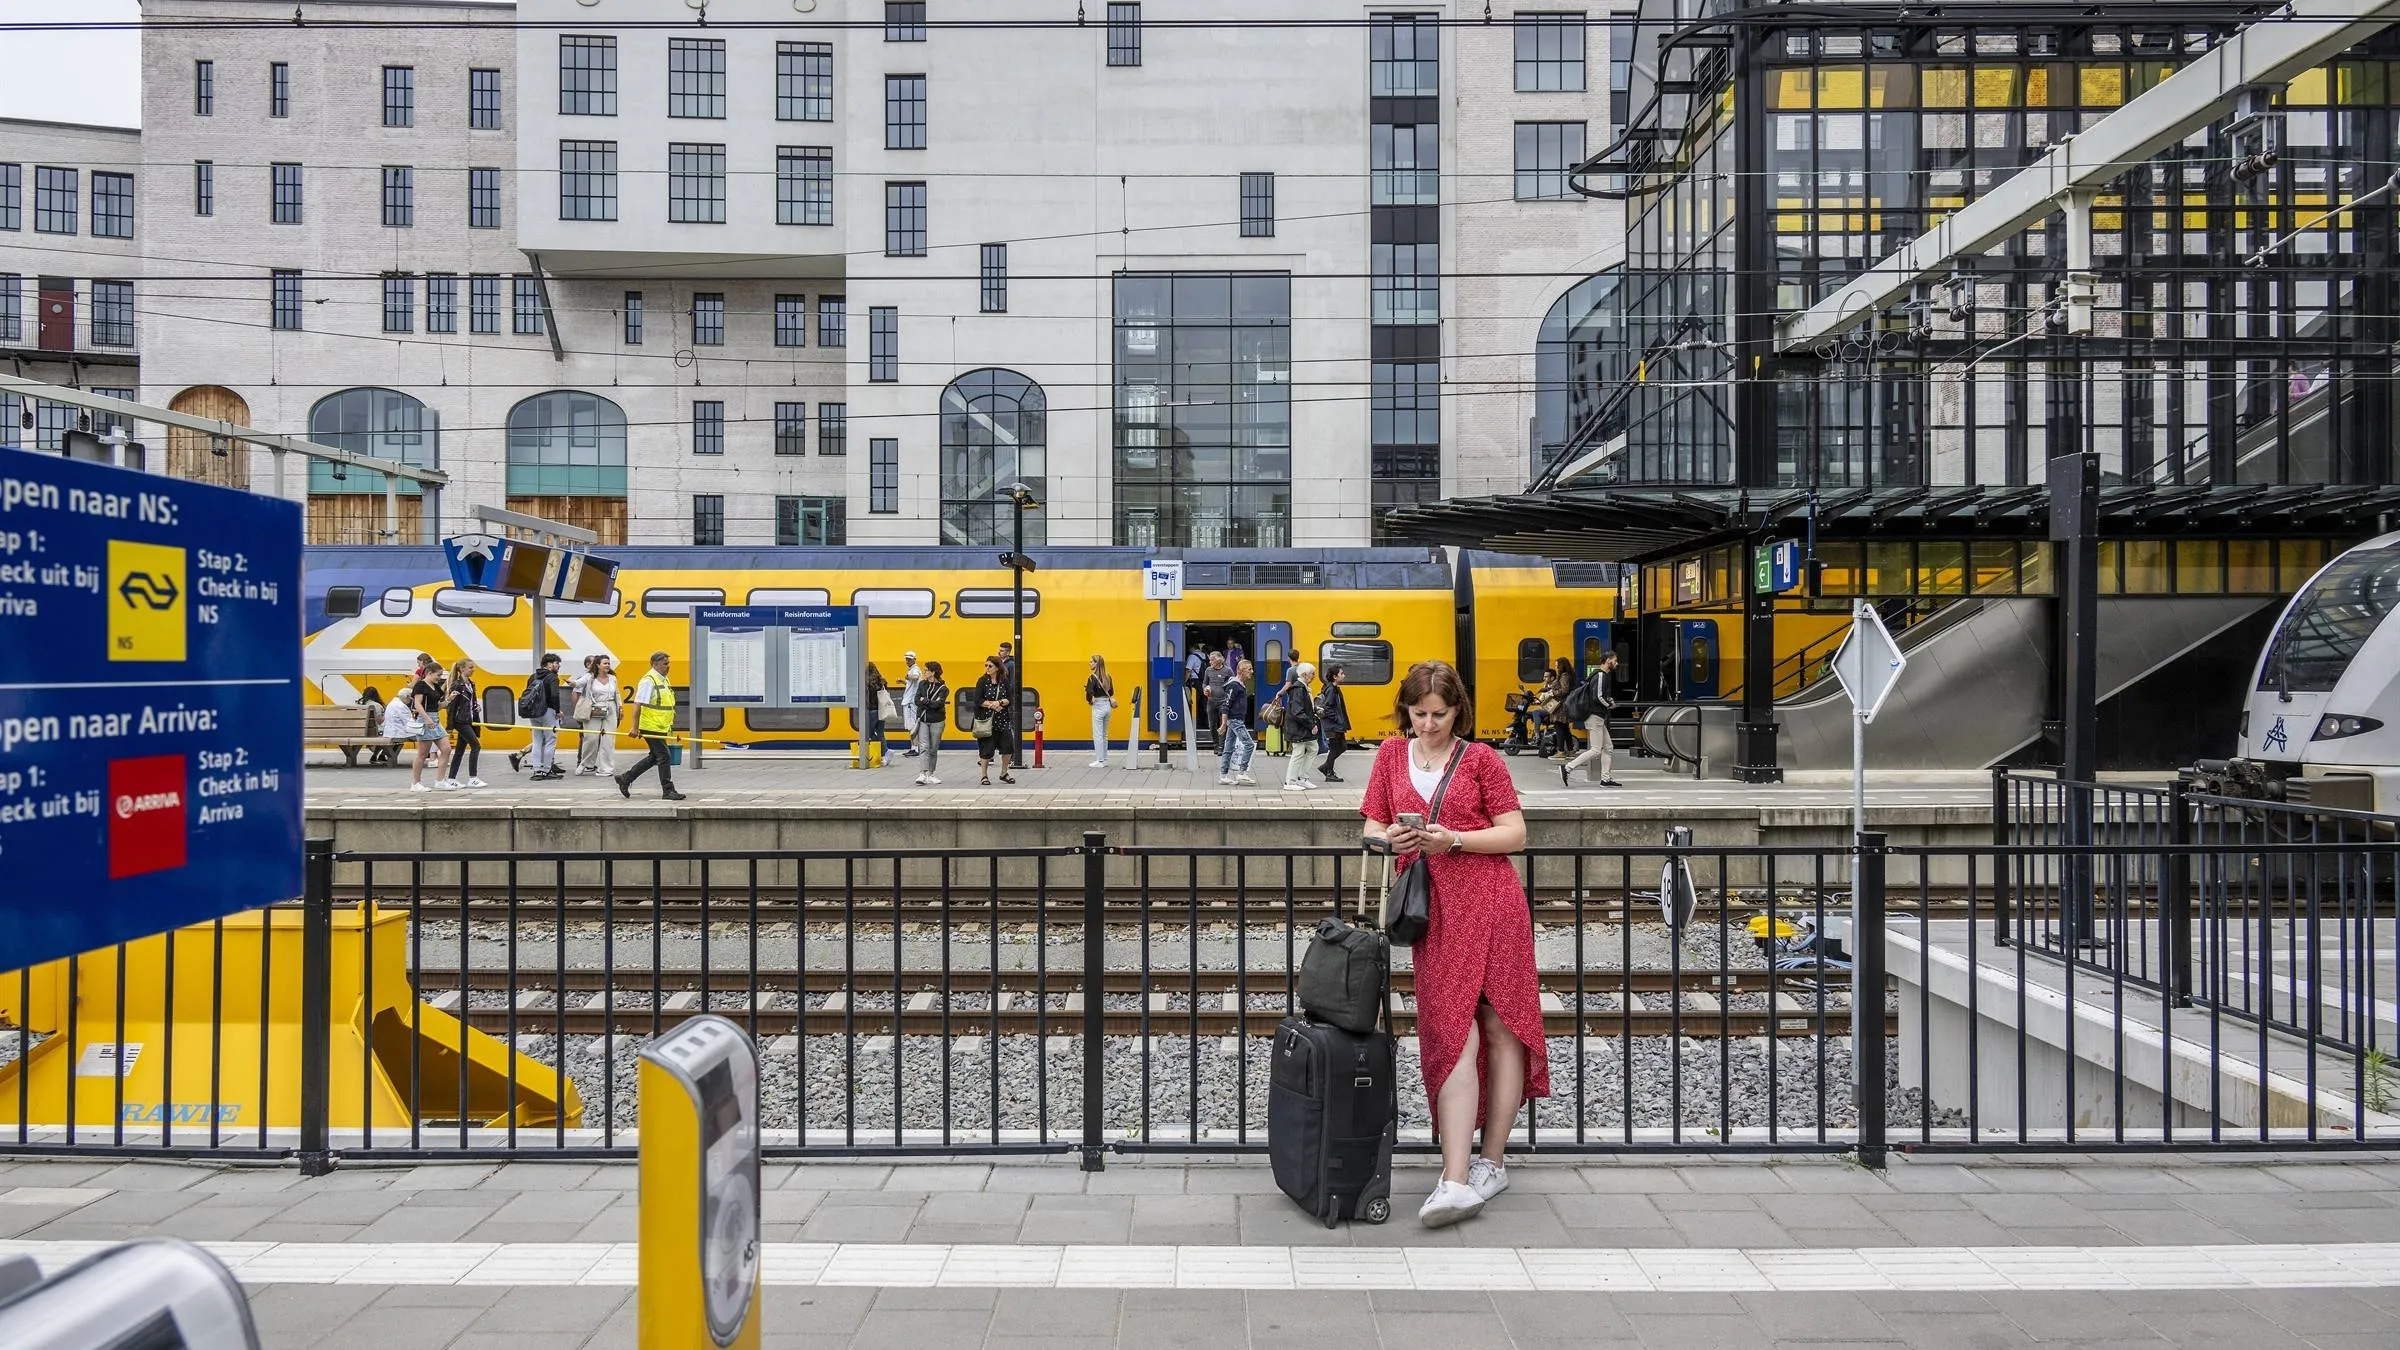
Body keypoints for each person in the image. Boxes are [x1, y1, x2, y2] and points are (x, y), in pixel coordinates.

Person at [1361, 660, 1545, 1228]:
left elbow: (1515, 833)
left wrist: (1454, 840)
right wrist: (1391, 840)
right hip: (1434, 911)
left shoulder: (1483, 758)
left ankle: (1484, 1166)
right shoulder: (1390, 755)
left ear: (1458, 710)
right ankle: (1459, 1177)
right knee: (1452, 1030)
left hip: (1491, 903)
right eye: (1419, 714)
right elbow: (1371, 824)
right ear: (1406, 710)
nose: (1428, 725)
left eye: (1439, 714)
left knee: (1500, 1024)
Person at [614, 651, 687, 801]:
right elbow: (637, 704)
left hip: (659, 726)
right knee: (664, 756)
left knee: (655, 757)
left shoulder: (663, 679)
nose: (668, 666)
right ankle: (668, 790)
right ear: (655, 664)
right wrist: (634, 727)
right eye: (665, 663)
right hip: (650, 725)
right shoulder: (649, 681)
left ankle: (625, 778)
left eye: (668, 663)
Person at [1560, 652, 1622, 787]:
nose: (1616, 663)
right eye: (1615, 660)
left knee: (1608, 747)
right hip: (1594, 717)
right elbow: (1597, 696)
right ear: (1608, 660)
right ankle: (1567, 768)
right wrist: (1609, 705)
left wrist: (1608, 700)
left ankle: (1605, 779)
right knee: (1596, 750)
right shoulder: (1601, 675)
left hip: (1597, 717)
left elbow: (1599, 695)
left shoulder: (1598, 675)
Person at [511, 652, 566, 780]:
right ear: (549, 664)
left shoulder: (533, 676)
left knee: (537, 741)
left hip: (534, 713)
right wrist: (558, 711)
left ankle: (537, 771)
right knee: (550, 741)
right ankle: (547, 770)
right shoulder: (552, 677)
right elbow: (555, 696)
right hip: (548, 712)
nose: (558, 666)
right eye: (557, 663)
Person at [439, 659, 488, 788]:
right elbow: (452, 707)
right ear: (462, 669)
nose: (473, 670)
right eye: (470, 667)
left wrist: (476, 708)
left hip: (469, 720)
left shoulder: (471, 684)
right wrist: (450, 726)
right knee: (476, 746)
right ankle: (473, 778)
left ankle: (451, 778)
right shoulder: (457, 685)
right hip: (461, 721)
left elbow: (471, 702)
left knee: (460, 750)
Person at [573, 655, 621, 776]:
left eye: (609, 663)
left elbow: (617, 693)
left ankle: (606, 768)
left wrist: (620, 707)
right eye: (605, 663)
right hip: (594, 708)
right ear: (598, 665)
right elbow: (578, 683)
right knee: (591, 738)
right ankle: (585, 763)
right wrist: (572, 683)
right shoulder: (590, 677)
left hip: (610, 708)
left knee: (608, 739)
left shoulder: (613, 678)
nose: (608, 665)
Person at [973, 656, 1016, 786]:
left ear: (997, 668)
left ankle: (1004, 773)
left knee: (1008, 747)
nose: (987, 668)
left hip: (1003, 720)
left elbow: (1010, 698)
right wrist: (992, 705)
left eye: (990, 666)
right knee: (986, 750)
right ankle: (984, 775)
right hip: (987, 721)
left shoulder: (1004, 681)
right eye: (986, 665)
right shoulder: (982, 681)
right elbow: (978, 700)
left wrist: (1000, 703)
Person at [406, 665, 450, 792]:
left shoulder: (435, 687)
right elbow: (417, 704)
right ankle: (415, 783)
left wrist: (448, 700)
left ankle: (440, 781)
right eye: (438, 675)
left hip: (435, 719)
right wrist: (426, 718)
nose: (439, 678)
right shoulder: (420, 686)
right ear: (429, 673)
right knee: (422, 753)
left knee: (446, 749)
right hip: (425, 719)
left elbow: (437, 706)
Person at [1216, 658, 1257, 785]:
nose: (1252, 671)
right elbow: (1226, 704)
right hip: (1235, 720)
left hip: (1235, 719)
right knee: (1249, 744)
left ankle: (1223, 776)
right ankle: (1242, 773)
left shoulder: (1240, 685)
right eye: (1249, 669)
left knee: (1228, 747)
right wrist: (1223, 724)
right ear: (1241, 671)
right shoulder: (1234, 685)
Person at [1279, 663, 1319, 791]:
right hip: (1298, 727)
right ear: (1304, 675)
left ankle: (1302, 778)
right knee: (1298, 753)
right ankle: (1290, 782)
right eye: (1312, 673)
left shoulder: (1303, 688)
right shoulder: (1298, 689)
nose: (1314, 676)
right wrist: (1311, 725)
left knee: (1313, 748)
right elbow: (1297, 711)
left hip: (1303, 726)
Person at [912, 660, 950, 785]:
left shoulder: (943, 689)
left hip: (937, 721)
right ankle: (922, 774)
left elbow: (938, 704)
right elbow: (916, 700)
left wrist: (925, 701)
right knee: (924, 747)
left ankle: (931, 773)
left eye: (926, 670)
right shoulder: (922, 684)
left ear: (933, 672)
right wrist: (928, 702)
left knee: (933, 748)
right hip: (923, 720)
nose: (924, 672)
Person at [1314, 663, 1352, 783]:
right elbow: (1328, 707)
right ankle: (1329, 773)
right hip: (1333, 725)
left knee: (1342, 746)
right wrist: (1337, 719)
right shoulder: (1331, 690)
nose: (1344, 675)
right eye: (1341, 673)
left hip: (1336, 725)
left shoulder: (1333, 688)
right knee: (1336, 748)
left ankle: (1326, 767)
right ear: (1335, 677)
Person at [1085, 655, 1117, 769]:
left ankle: (1099, 760)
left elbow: (1089, 693)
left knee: (1098, 734)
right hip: (1107, 706)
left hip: (1098, 706)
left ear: (1096, 664)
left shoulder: (1092, 678)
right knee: (1104, 734)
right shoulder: (1108, 676)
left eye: (1092, 662)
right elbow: (1111, 692)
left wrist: (1090, 701)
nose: (1090, 663)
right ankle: (1105, 759)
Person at [900, 651, 925, 756]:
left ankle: (915, 748)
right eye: (906, 659)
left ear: (914, 659)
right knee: (911, 726)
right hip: (909, 701)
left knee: (912, 726)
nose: (907, 661)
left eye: (910, 659)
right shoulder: (911, 670)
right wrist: (903, 681)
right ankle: (913, 747)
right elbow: (912, 683)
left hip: (911, 702)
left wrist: (908, 676)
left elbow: (916, 676)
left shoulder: (915, 669)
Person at [864, 662, 890, 758]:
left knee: (868, 733)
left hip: (872, 710)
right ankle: (886, 753)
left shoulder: (866, 682)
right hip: (881, 710)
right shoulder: (882, 681)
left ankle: (881, 752)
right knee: (880, 733)